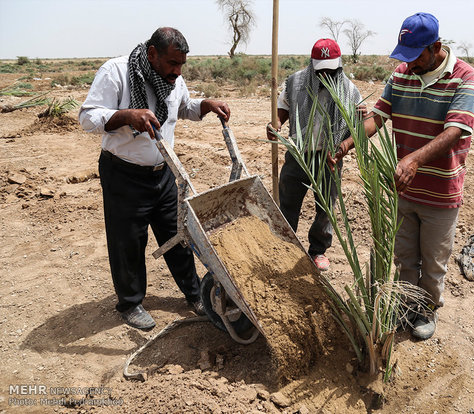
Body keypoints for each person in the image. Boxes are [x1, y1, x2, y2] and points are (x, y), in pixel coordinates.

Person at [330, 13, 474, 339]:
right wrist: (346, 144)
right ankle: (408, 306)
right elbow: (377, 118)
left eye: (415, 57)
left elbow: (456, 130)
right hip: (404, 188)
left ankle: (427, 309)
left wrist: (413, 159)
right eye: (405, 58)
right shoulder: (401, 75)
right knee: (405, 256)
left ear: (435, 46)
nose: (408, 64)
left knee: (434, 260)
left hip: (441, 192)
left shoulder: (464, 77)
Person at [79, 27, 231, 330]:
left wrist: (206, 105)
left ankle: (193, 293)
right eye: (172, 63)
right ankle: (131, 303)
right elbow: (87, 117)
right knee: (128, 241)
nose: (177, 71)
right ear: (152, 54)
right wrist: (126, 115)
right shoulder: (116, 72)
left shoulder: (173, 79)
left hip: (163, 174)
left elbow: (183, 107)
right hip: (124, 174)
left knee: (178, 234)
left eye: (181, 65)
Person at [266, 39, 364, 272]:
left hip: (330, 158)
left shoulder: (349, 90)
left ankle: (317, 250)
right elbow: (283, 109)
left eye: (332, 70)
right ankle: (284, 246)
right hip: (299, 154)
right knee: (287, 202)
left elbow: (360, 123)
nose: (327, 75)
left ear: (339, 65)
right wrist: (276, 124)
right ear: (312, 65)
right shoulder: (295, 82)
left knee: (325, 207)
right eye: (322, 70)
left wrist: (360, 118)